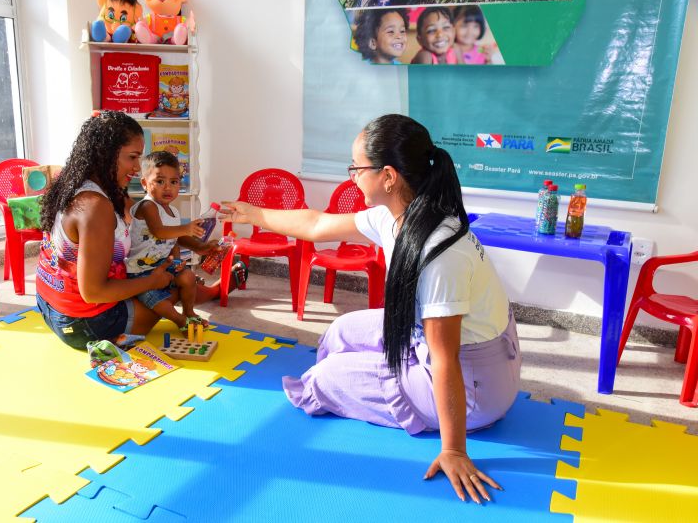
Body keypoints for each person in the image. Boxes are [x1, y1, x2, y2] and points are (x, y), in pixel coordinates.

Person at [222, 114, 521, 504]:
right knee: (340, 332)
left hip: (476, 382)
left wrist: (453, 451)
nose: (352, 178)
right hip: (444, 348)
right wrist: (253, 214)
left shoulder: (438, 252)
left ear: (388, 177)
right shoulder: (395, 214)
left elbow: (445, 357)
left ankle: (409, 403)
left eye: (357, 169)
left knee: (325, 379)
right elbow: (315, 224)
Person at [36, 110, 246, 349]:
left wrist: (197, 245)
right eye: (132, 157)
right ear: (105, 154)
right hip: (85, 324)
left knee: (168, 273)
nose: (137, 168)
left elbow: (155, 232)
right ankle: (215, 291)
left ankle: (211, 290)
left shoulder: (78, 185)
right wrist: (152, 282)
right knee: (174, 284)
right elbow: (93, 292)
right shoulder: (96, 207)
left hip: (49, 305)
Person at [126, 150, 222, 334]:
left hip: (164, 264)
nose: (168, 188)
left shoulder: (173, 212)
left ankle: (189, 312)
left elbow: (176, 238)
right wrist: (186, 228)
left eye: (174, 182)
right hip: (140, 270)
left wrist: (201, 247)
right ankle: (179, 320)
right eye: (160, 181)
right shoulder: (148, 206)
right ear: (145, 183)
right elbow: (160, 232)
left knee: (188, 277)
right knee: (157, 300)